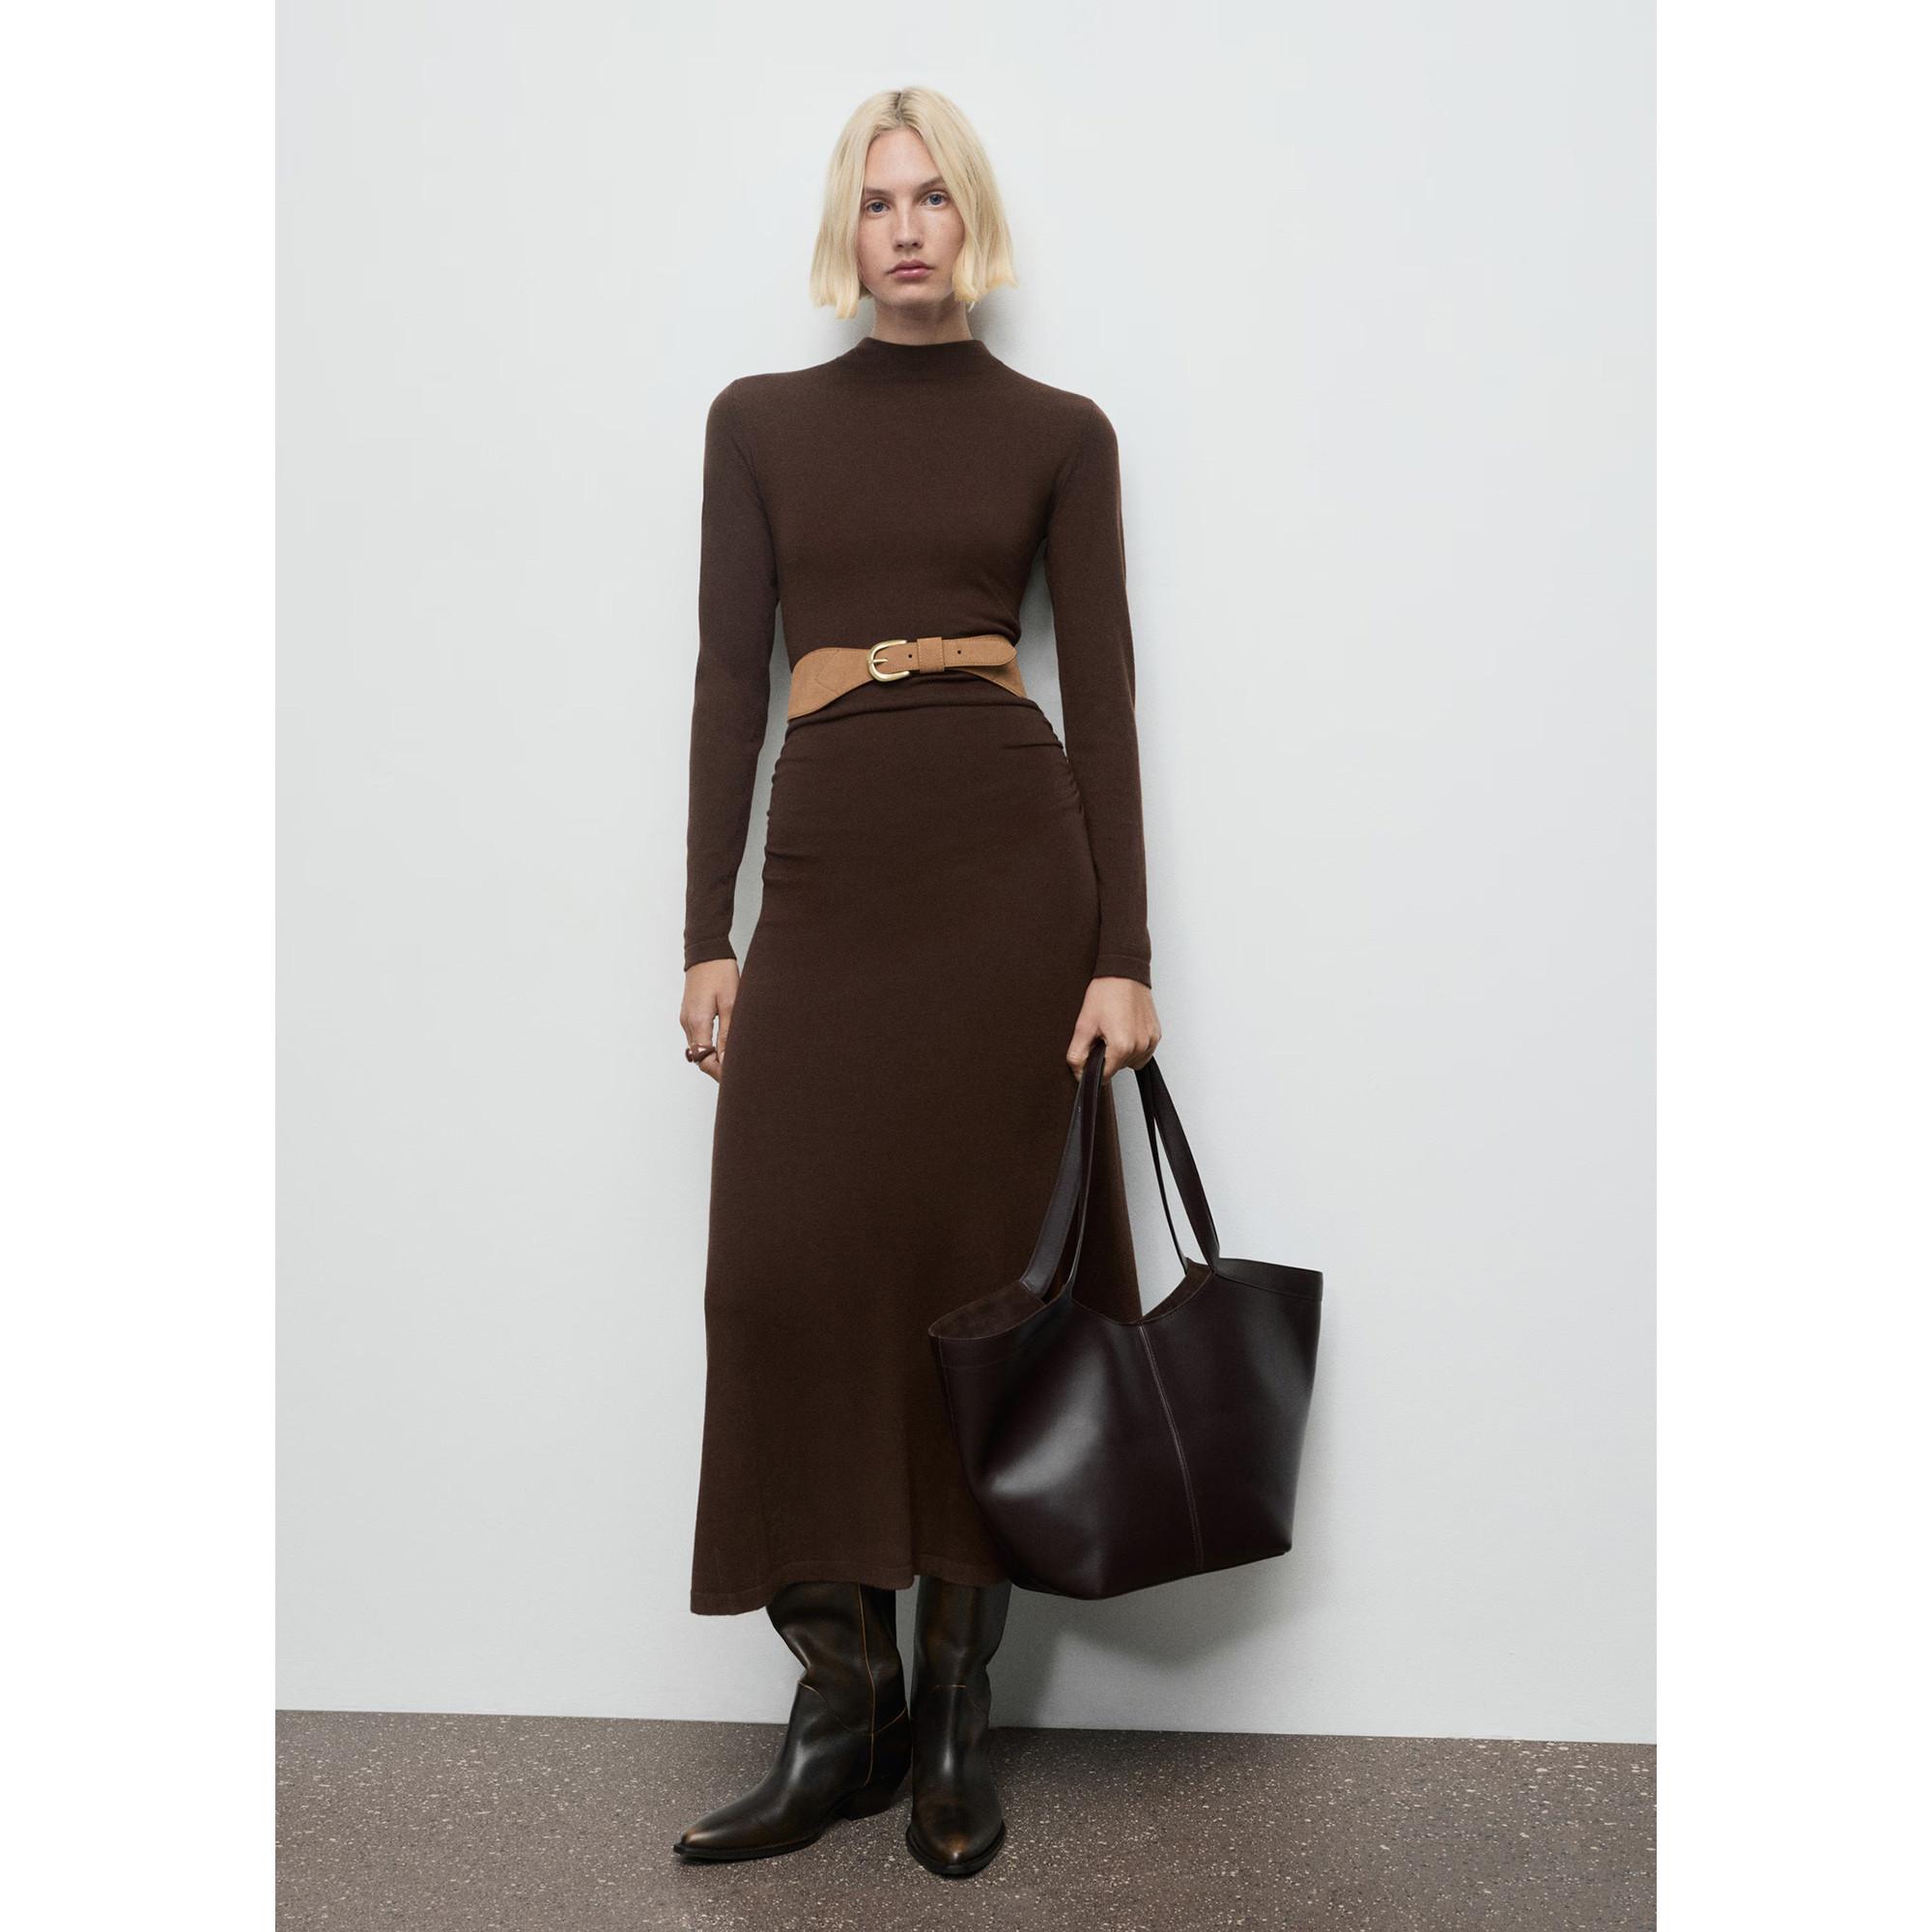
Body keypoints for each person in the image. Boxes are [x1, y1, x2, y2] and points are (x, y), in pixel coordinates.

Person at [672, 85, 1161, 1880]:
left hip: (1008, 882)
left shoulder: (1062, 433)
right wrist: (706, 931)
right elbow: (730, 680)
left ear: (972, 224)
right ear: (846, 224)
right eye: (879, 199)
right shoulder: (758, 423)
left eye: (933, 198)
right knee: (780, 1278)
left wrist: (1122, 956)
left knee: (983, 1294)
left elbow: (1104, 695)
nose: (905, 227)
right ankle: (844, 1706)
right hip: (828, 873)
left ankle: (955, 1706)